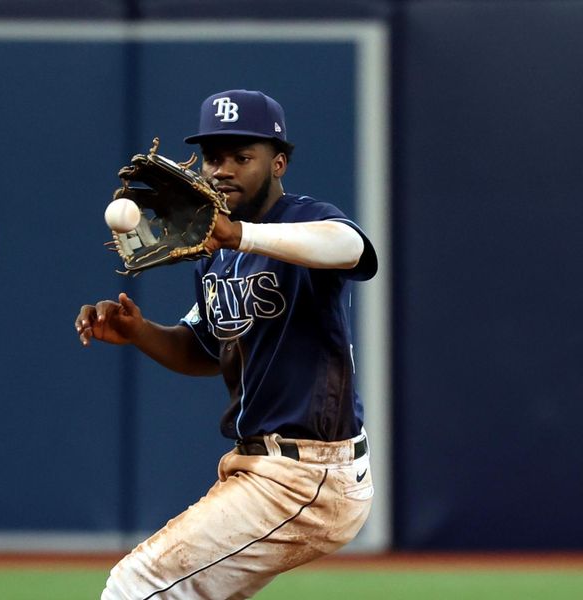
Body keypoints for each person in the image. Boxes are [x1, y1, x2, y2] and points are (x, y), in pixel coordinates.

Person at [75, 89, 378, 600]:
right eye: (215, 157)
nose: (224, 170)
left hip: (308, 474)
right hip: (258, 467)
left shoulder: (301, 220)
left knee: (138, 583)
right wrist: (139, 332)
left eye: (244, 156)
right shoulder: (213, 254)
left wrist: (241, 234)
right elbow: (205, 348)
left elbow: (353, 248)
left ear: (278, 162)